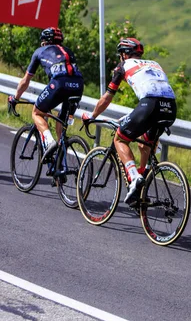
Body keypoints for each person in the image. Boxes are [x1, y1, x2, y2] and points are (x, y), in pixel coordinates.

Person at [83, 38, 177, 207]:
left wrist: (93, 115)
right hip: (170, 107)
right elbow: (155, 88)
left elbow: (107, 98)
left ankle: (134, 178)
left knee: (120, 139)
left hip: (150, 105)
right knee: (144, 145)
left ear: (124, 54)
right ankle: (142, 185)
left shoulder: (123, 66)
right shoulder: (154, 64)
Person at [8, 27, 84, 162]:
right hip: (78, 86)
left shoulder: (39, 51)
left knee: (37, 113)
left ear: (45, 41)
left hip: (60, 83)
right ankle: (61, 166)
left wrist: (15, 98)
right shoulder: (68, 51)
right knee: (61, 123)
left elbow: (26, 81)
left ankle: (49, 142)